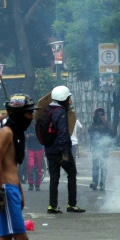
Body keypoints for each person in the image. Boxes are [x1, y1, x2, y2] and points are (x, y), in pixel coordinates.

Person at [0, 94, 38, 240]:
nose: (31, 117)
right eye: (28, 113)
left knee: (5, 236)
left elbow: (12, 167)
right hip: (6, 189)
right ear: (18, 113)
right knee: (21, 237)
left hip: (12, 189)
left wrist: (21, 193)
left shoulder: (16, 132)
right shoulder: (6, 132)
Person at [44, 86, 85, 214]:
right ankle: (72, 204)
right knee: (72, 173)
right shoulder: (60, 112)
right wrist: (65, 153)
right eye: (68, 98)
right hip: (60, 151)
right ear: (63, 99)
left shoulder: (47, 110)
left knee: (54, 178)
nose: (69, 101)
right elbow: (62, 133)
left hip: (49, 150)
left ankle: (52, 206)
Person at [88, 108, 114, 191]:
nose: (100, 116)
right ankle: (94, 182)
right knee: (95, 166)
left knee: (103, 166)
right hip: (96, 148)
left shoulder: (107, 124)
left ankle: (102, 183)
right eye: (98, 114)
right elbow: (90, 131)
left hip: (104, 148)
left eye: (101, 114)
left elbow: (112, 132)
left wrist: (105, 122)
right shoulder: (93, 124)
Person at [25, 120, 44, 191]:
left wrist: (32, 136)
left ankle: (37, 184)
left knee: (38, 167)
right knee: (30, 166)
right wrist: (28, 136)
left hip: (39, 148)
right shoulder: (27, 126)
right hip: (30, 148)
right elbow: (24, 135)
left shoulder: (40, 126)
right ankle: (30, 183)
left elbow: (42, 136)